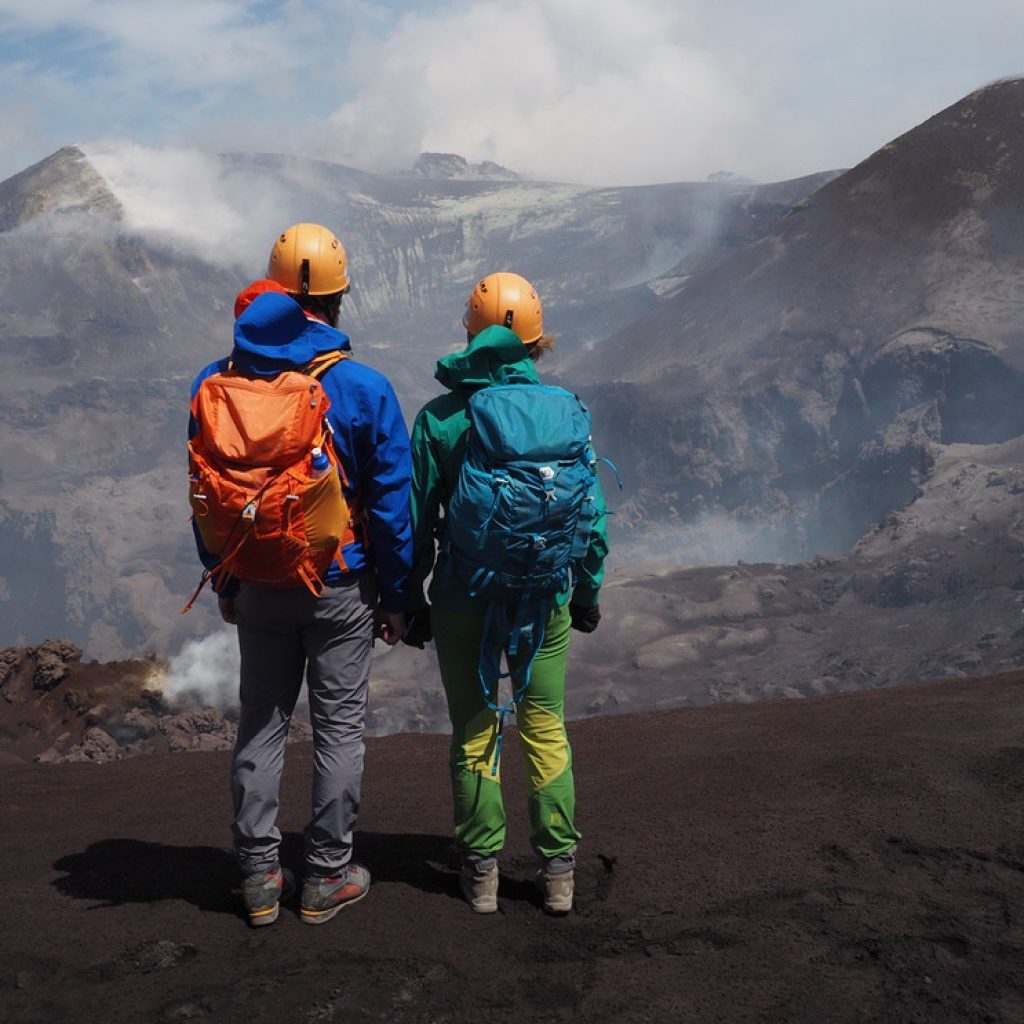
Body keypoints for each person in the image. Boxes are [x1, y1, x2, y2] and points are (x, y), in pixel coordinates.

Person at [188, 223, 412, 926]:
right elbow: (392, 505)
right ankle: (326, 877)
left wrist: (225, 579)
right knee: (338, 731)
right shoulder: (363, 388)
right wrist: (398, 597)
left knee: (261, 724)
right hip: (341, 584)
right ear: (338, 299)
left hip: (257, 584)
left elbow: (205, 494)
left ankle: (259, 878)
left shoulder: (215, 382)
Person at [404, 272, 607, 915]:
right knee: (544, 726)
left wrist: (410, 601)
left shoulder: (439, 420)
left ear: (471, 333)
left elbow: (415, 522)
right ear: (538, 343)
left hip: (463, 597)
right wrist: (585, 594)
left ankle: (483, 873)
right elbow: (591, 520)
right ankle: (558, 874)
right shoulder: (565, 414)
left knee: (475, 728)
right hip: (544, 597)